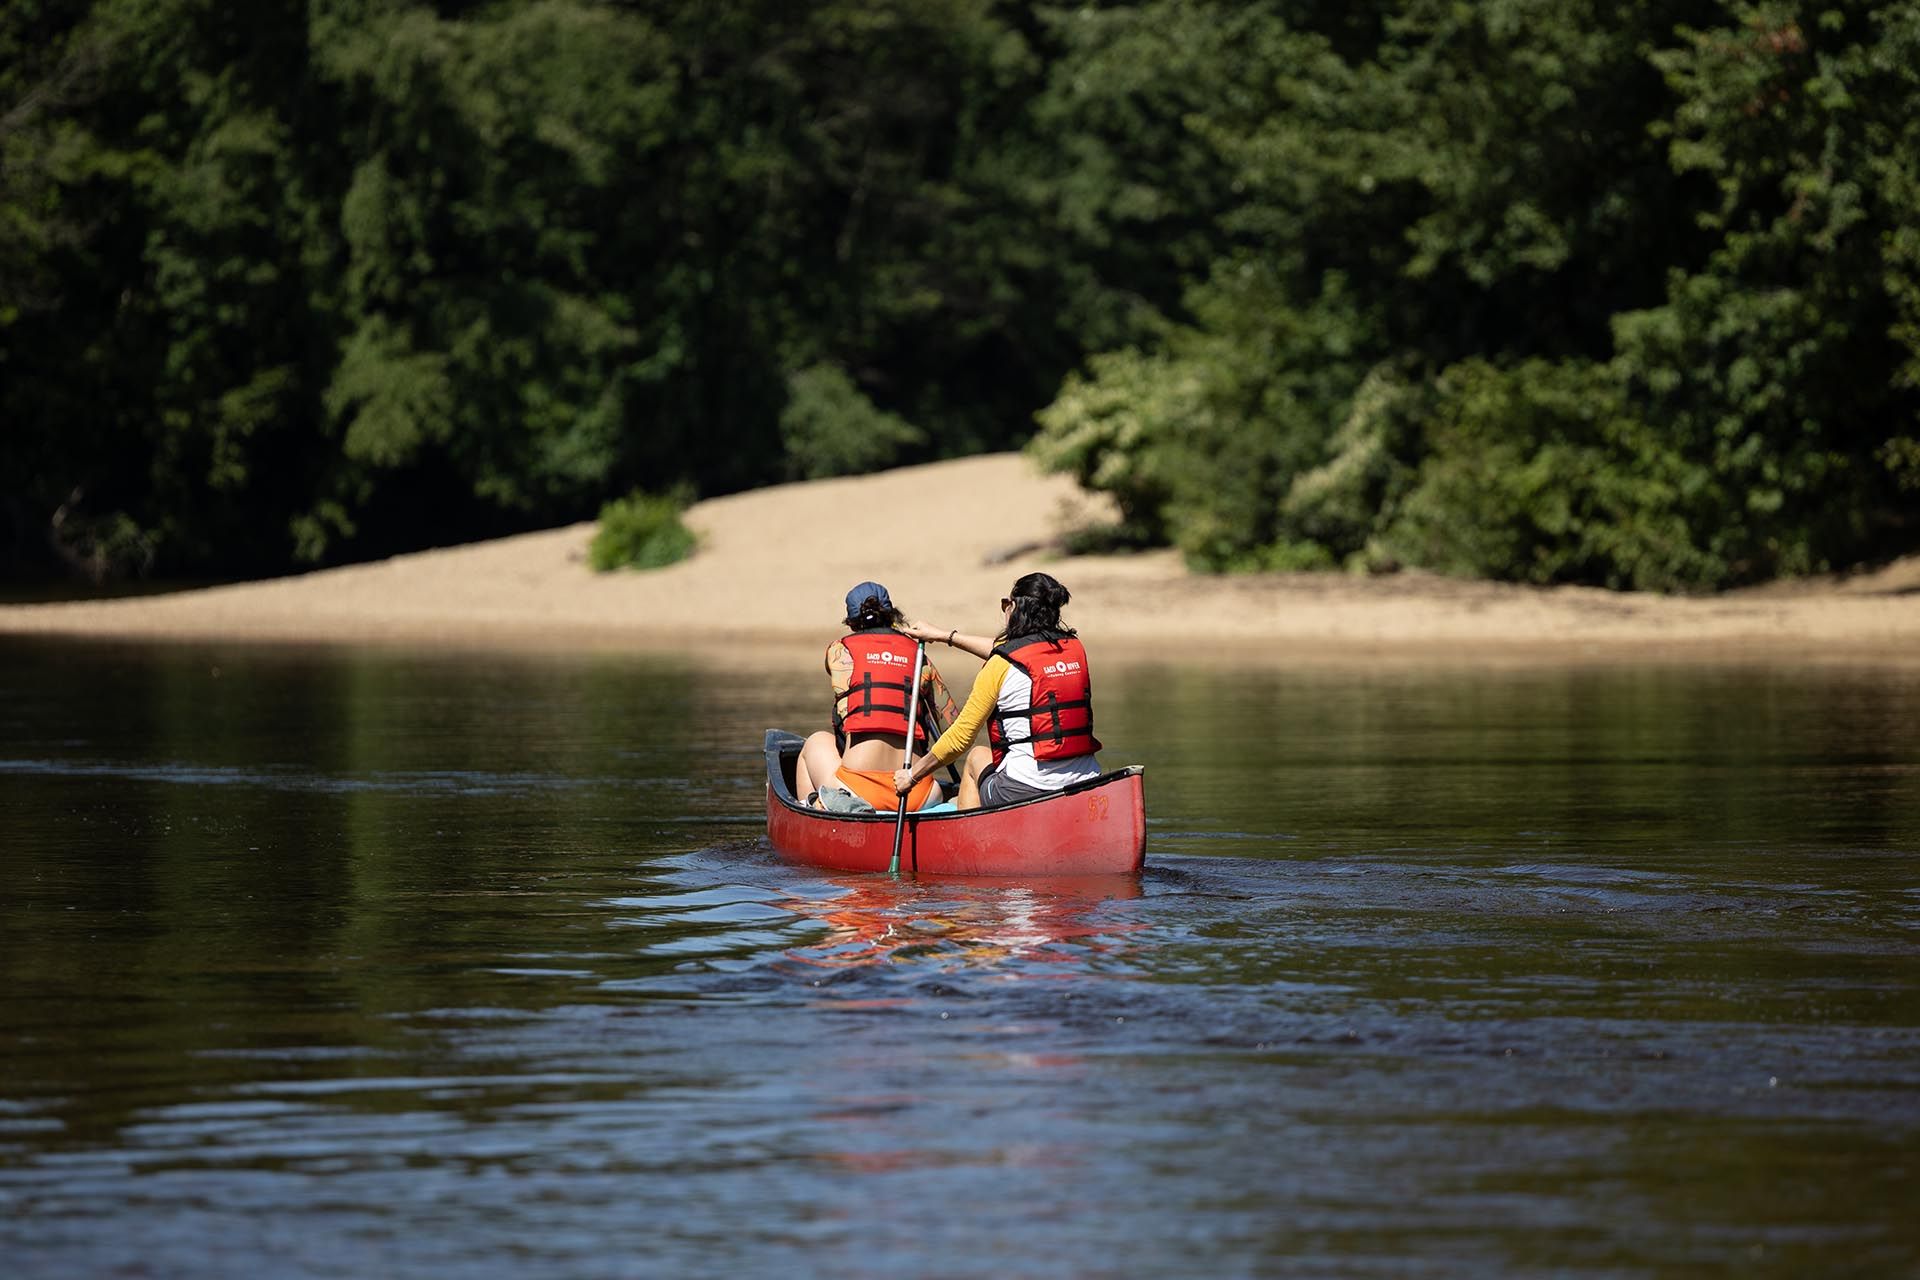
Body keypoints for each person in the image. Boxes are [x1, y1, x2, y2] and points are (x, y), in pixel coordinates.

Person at [891, 571, 1101, 811]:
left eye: (1005, 605)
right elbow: (1008, 649)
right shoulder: (1074, 648)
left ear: (1014, 608)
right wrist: (943, 636)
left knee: (976, 757)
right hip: (1086, 779)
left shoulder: (1000, 664)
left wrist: (912, 776)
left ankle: (970, 840)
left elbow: (960, 739)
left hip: (1026, 787)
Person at [795, 581, 958, 813]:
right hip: (917, 791)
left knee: (814, 742)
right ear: (892, 615)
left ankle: (813, 813)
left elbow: (845, 718)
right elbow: (952, 726)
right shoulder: (920, 656)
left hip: (857, 788)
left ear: (851, 623)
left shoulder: (839, 651)